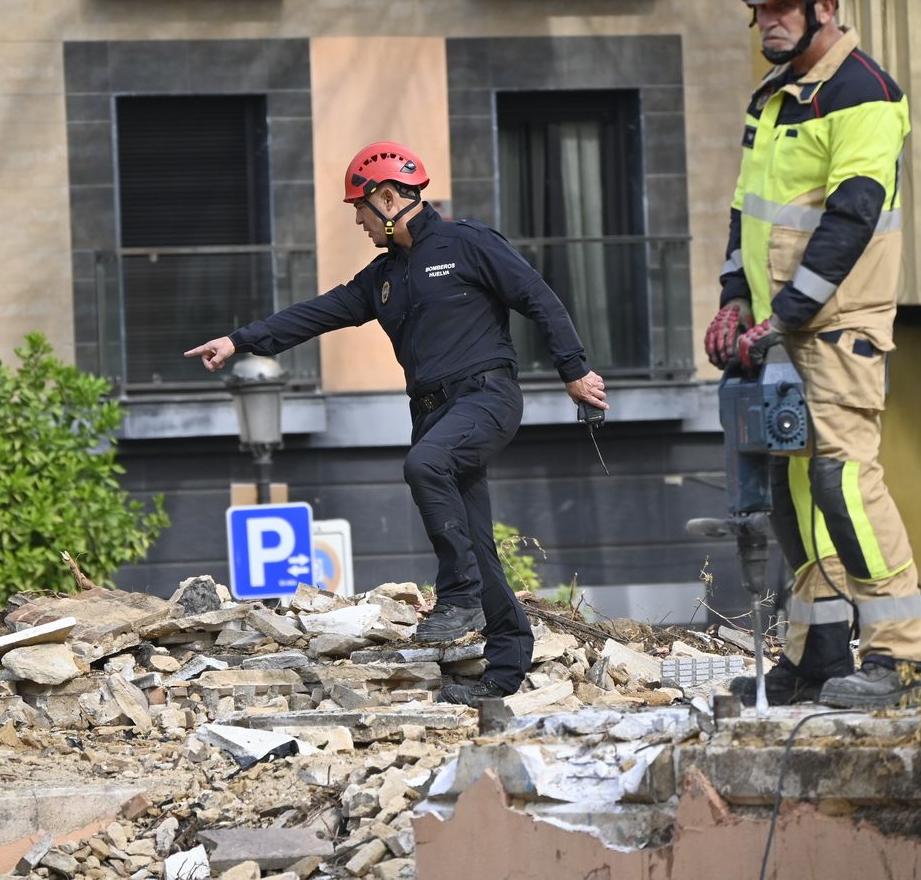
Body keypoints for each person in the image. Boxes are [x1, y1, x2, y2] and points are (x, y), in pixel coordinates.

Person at [186, 141, 608, 706]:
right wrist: (239, 340)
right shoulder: (385, 275)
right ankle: (505, 670)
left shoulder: (466, 243)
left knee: (425, 465)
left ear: (387, 198)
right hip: (433, 411)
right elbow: (317, 312)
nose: (358, 220)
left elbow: (538, 297)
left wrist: (574, 371)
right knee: (476, 541)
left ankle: (457, 596)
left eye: (359, 208)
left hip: (487, 395)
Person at [709, 0, 921, 709]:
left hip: (837, 328)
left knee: (843, 480)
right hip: (782, 332)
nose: (767, 24)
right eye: (761, 11)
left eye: (784, 9)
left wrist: (792, 309)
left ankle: (901, 657)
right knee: (793, 496)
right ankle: (819, 659)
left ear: (826, 5)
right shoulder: (773, 99)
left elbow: (854, 211)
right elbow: (747, 212)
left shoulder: (863, 91)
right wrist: (737, 300)